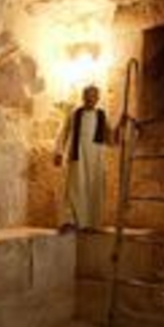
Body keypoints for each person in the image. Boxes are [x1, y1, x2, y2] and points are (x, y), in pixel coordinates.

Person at [53, 85, 117, 231]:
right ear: (83, 97)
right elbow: (63, 133)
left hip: (96, 159)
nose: (90, 98)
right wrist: (58, 152)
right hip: (78, 157)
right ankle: (70, 222)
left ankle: (91, 223)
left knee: (94, 189)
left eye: (93, 96)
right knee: (74, 188)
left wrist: (120, 128)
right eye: (87, 95)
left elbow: (110, 139)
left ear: (98, 98)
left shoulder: (102, 115)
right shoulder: (74, 114)